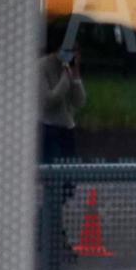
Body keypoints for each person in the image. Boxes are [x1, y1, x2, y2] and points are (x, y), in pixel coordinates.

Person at [38, 20, 86, 163]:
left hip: (67, 127)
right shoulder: (42, 66)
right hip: (48, 126)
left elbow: (79, 102)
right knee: (51, 175)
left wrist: (76, 76)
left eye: (75, 49)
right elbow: (49, 101)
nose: (72, 53)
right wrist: (66, 75)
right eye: (68, 49)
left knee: (68, 176)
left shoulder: (70, 67)